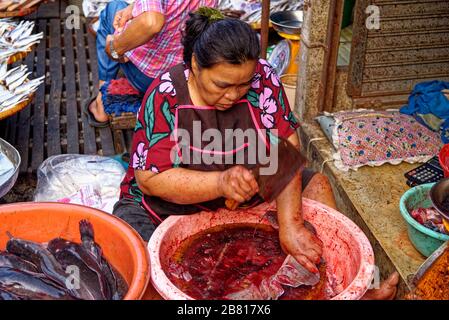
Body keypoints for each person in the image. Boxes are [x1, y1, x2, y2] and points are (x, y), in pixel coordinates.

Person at [114, 7, 399, 299]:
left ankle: (350, 290)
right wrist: (220, 183)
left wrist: (291, 225)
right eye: (222, 85)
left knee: (317, 186)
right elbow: (151, 178)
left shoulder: (263, 77)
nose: (234, 95)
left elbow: (285, 148)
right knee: (140, 271)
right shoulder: (166, 94)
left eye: (243, 84)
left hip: (247, 190)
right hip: (163, 207)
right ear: (196, 65)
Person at [84, 0, 217, 127]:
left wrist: (115, 48)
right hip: (184, 75)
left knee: (113, 9)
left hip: (149, 77)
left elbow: (151, 22)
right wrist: (134, 7)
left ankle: (101, 102)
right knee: (122, 8)